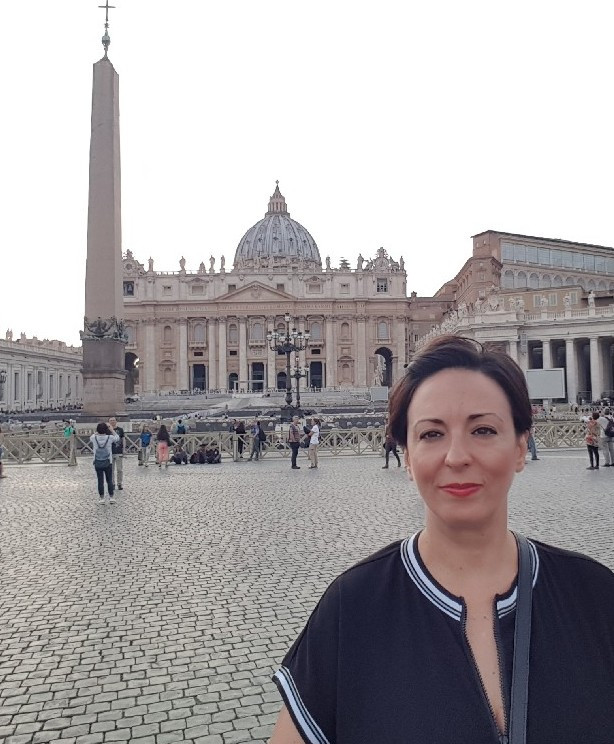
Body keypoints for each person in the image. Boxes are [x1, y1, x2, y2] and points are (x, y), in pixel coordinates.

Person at [269, 335, 614, 744]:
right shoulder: (351, 608)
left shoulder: (596, 595)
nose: (456, 457)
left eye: (483, 430)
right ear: (407, 457)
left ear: (521, 447)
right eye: (432, 434)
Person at [89, 422, 119, 504]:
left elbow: (92, 436)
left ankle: (101, 498)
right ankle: (111, 497)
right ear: (106, 429)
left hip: (97, 461)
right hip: (108, 461)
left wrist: (97, 431)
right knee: (109, 480)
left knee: (100, 480)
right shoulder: (110, 437)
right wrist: (111, 429)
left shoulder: (93, 438)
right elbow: (117, 438)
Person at [108, 417, 125, 490]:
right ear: (109, 422)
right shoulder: (107, 430)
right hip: (110, 452)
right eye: (111, 420)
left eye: (113, 420)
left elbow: (123, 439)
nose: (112, 422)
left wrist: (124, 449)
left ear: (116, 421)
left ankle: (119, 483)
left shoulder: (120, 429)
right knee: (111, 470)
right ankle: (112, 483)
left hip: (119, 451)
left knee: (119, 469)